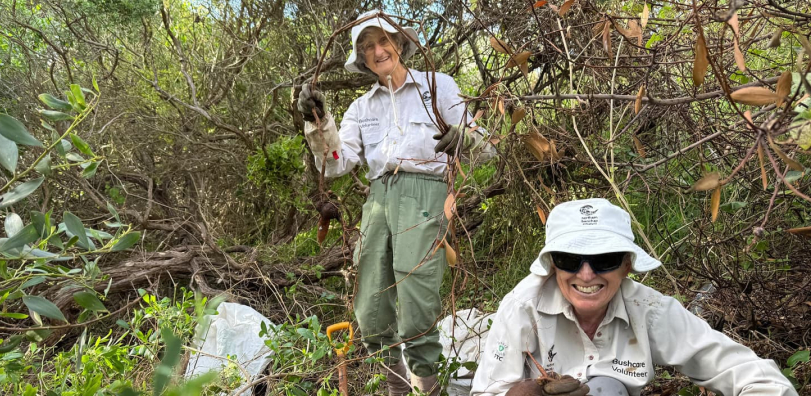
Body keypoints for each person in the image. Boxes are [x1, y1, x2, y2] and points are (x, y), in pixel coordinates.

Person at [296, 9, 495, 396]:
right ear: (363, 58)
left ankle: (430, 388)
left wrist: (464, 138)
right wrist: (316, 120)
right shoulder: (361, 108)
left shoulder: (438, 86)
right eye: (367, 47)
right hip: (378, 201)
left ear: (399, 44)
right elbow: (336, 163)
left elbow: (484, 145)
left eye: (383, 41)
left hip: (425, 194)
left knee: (417, 308)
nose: (377, 50)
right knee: (370, 313)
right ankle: (396, 389)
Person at [470, 198, 798, 396]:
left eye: (605, 259)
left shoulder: (649, 310)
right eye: (569, 259)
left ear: (627, 265)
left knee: (606, 389)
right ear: (552, 265)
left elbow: (741, 368)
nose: (586, 274)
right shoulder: (521, 308)